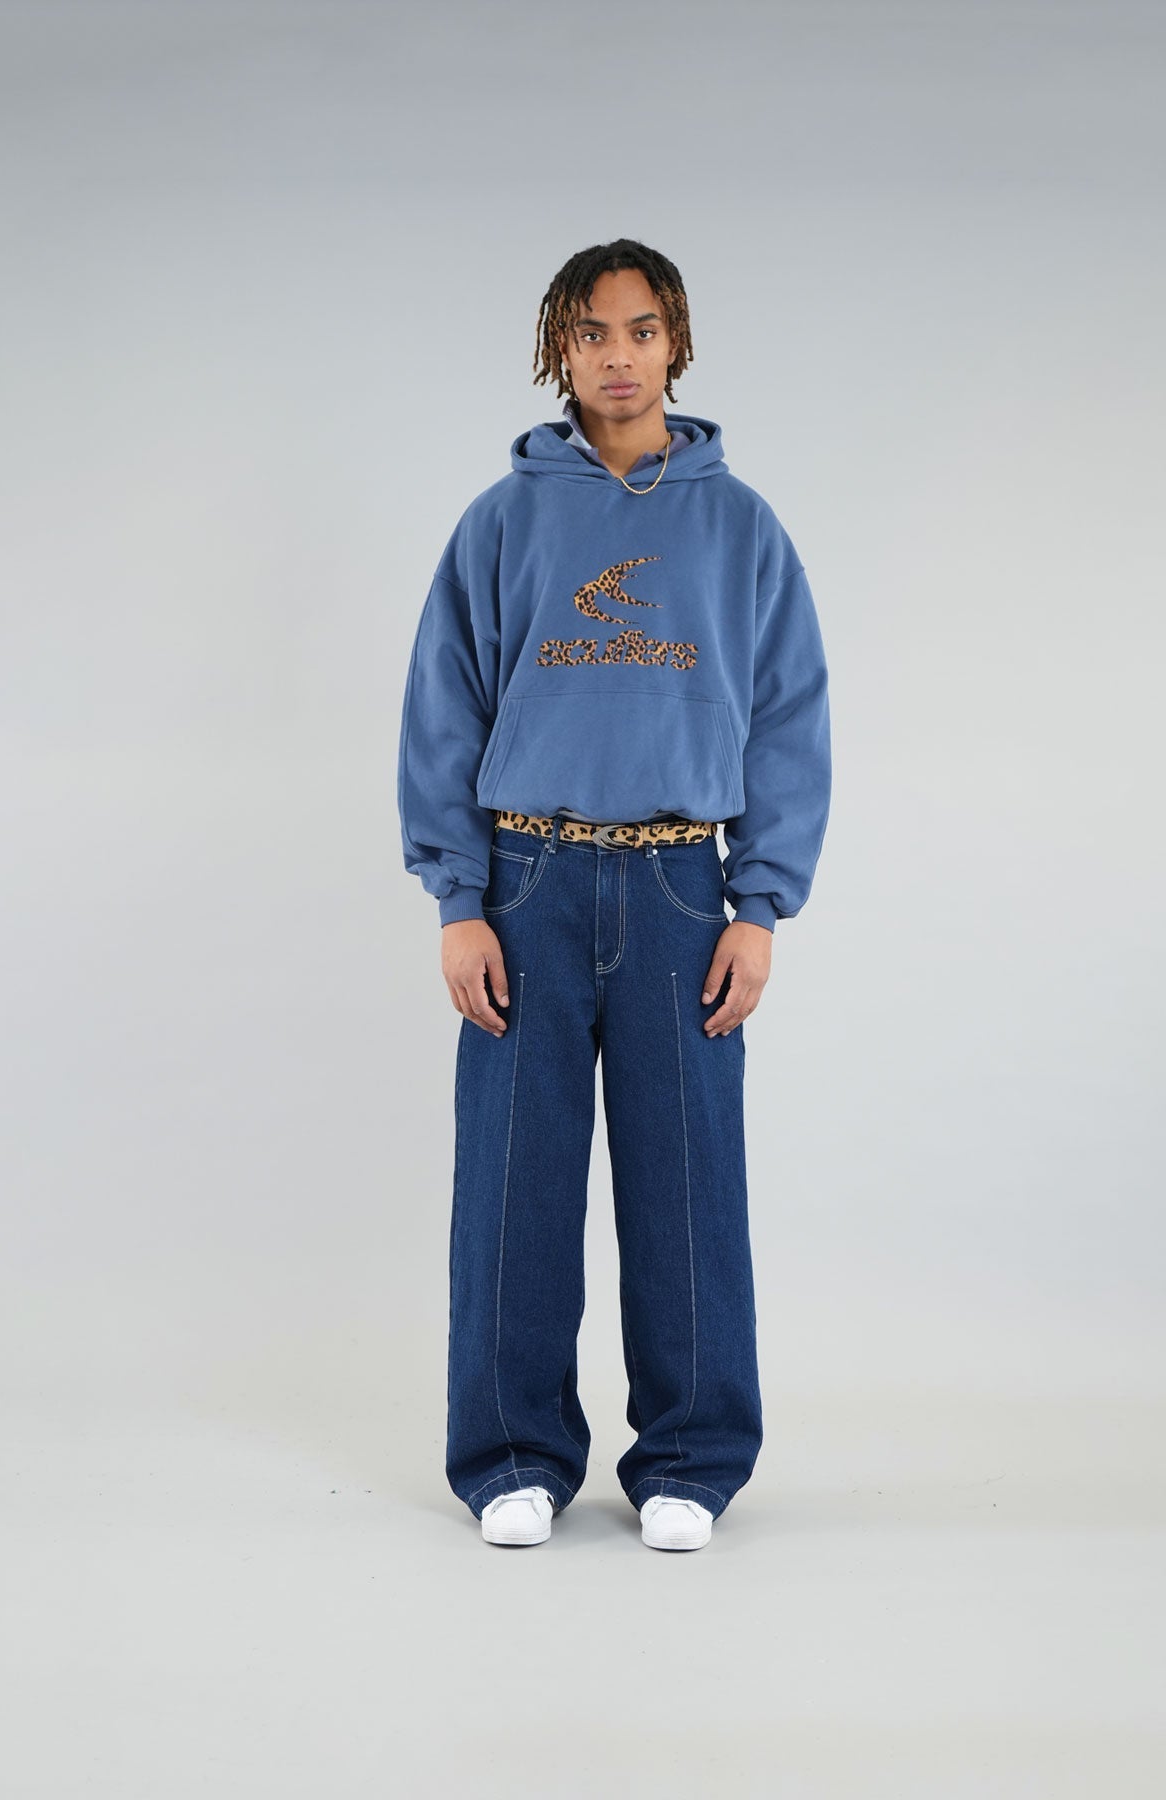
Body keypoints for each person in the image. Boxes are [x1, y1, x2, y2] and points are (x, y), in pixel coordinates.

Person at [397, 238, 832, 1551]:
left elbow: (788, 718)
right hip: (526, 879)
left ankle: (690, 1457)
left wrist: (759, 905)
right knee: (515, 1180)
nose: (619, 355)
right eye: (592, 333)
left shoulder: (740, 526)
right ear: (559, 350)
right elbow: (444, 709)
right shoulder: (503, 521)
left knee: (687, 1180)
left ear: (676, 342)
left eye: (643, 329)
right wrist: (458, 900)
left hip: (683, 889)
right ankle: (511, 1453)